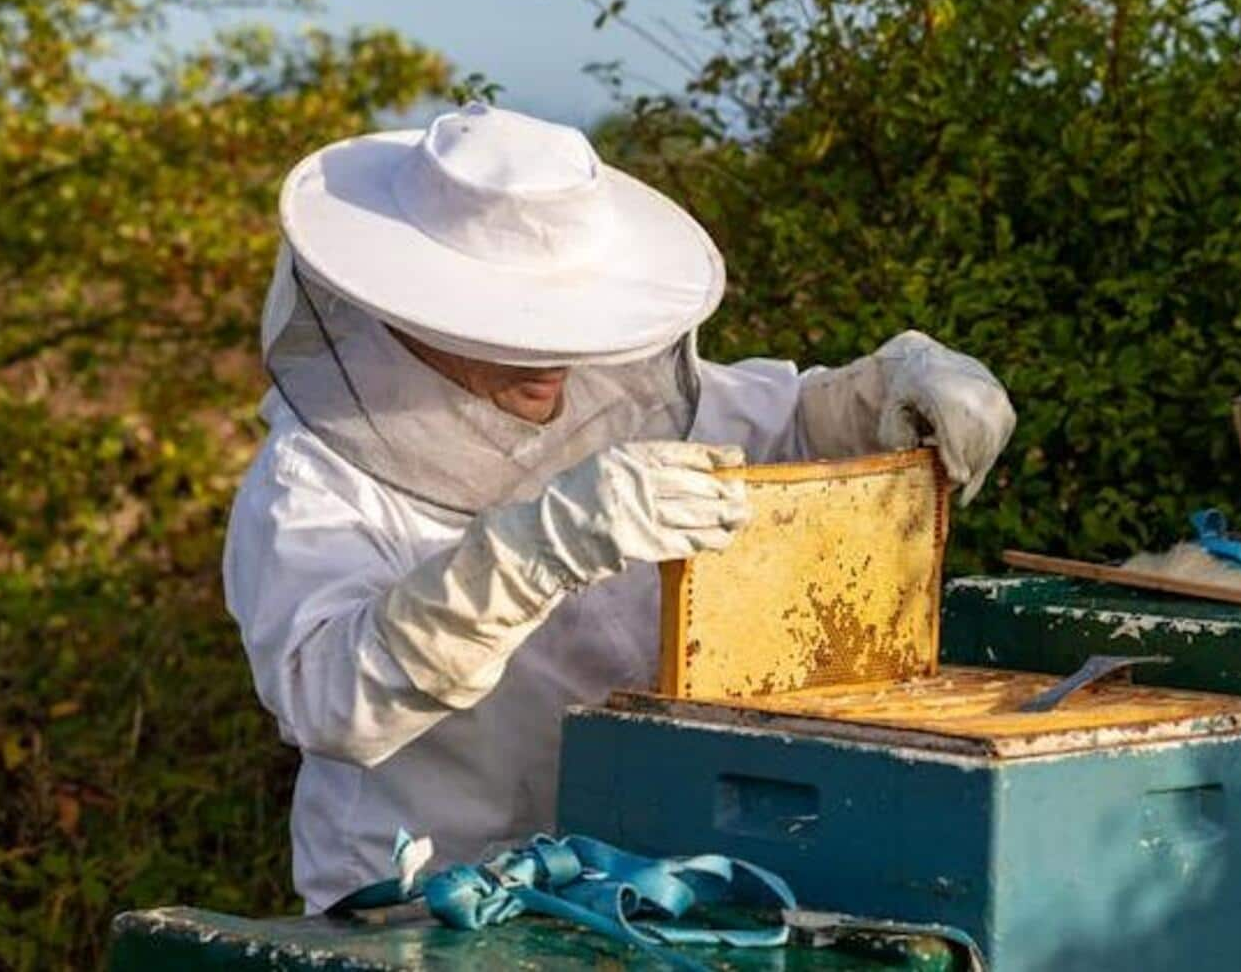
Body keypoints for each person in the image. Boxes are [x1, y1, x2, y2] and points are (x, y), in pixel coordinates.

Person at [223, 103, 1016, 910]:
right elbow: (331, 700)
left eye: (566, 320)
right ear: (417, 306)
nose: (550, 358)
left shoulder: (610, 386)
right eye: (506, 327)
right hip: (421, 899)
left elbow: (792, 420)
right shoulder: (314, 479)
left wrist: (892, 385)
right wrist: (539, 549)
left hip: (640, 879)